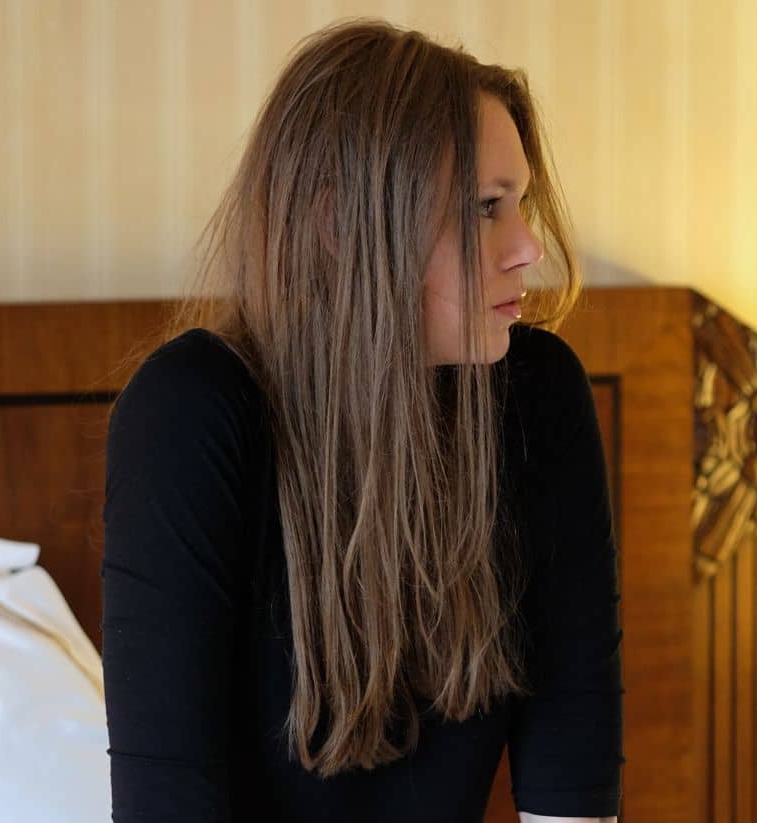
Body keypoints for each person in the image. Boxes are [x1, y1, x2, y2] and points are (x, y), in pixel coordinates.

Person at [100, 17, 624, 823]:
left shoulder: (536, 395)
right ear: (339, 224)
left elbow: (572, 777)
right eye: (485, 207)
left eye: (518, 203)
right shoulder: (190, 412)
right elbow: (166, 799)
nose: (527, 247)